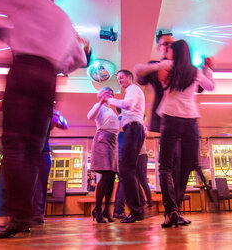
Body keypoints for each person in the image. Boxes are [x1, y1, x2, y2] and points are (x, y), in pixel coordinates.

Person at [0, 0, 89, 238]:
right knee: (33, 149)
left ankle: (17, 213)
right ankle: (26, 213)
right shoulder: (64, 20)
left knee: (15, 146)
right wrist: (60, 64)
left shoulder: (30, 0)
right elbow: (82, 60)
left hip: (24, 69)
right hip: (48, 79)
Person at [135, 40, 214, 228]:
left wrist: (153, 68)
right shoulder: (194, 71)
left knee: (165, 166)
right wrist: (207, 69)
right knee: (188, 165)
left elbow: (138, 69)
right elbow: (210, 86)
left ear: (175, 53)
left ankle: (171, 211)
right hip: (190, 121)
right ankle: (174, 210)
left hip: (170, 118)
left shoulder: (168, 65)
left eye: (170, 49)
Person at [102, 70, 146, 223]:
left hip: (133, 129)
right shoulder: (131, 91)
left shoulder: (133, 89)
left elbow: (127, 105)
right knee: (129, 171)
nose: (119, 80)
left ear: (129, 77)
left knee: (126, 170)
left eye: (121, 77)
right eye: (118, 78)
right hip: (133, 129)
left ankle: (137, 210)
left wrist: (110, 100)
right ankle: (138, 210)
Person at [87, 87, 120, 223]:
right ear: (100, 95)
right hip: (103, 139)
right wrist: (100, 102)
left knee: (112, 176)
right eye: (107, 92)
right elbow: (90, 117)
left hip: (113, 140)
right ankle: (98, 209)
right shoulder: (98, 106)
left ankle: (107, 209)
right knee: (106, 174)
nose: (110, 94)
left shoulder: (112, 110)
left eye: (111, 93)